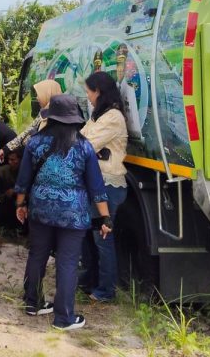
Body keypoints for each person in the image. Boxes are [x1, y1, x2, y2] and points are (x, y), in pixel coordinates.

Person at [14, 94, 112, 331]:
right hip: (73, 213)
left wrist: (20, 205)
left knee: (37, 255)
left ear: (51, 118)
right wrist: (105, 218)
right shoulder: (84, 147)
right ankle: (63, 318)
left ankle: (33, 303)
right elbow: (97, 188)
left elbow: (23, 180)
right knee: (67, 262)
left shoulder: (35, 143)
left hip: (41, 209)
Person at [79, 71, 128, 302]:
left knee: (103, 238)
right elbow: (80, 138)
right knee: (91, 238)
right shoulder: (99, 116)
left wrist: (91, 150)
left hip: (108, 186)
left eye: (89, 92)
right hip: (97, 184)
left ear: (98, 91)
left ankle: (106, 290)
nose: (87, 96)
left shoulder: (113, 117)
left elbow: (86, 144)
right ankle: (91, 281)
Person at [0, 79, 62, 163]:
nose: (37, 98)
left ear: (48, 94)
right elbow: (28, 131)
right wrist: (6, 148)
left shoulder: (56, 118)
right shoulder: (43, 113)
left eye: (39, 95)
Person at [0, 147, 24, 230]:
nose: (10, 162)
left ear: (20, 160)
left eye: (13, 160)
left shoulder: (25, 172)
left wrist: (15, 191)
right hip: (6, 202)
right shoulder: (4, 170)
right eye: (9, 159)